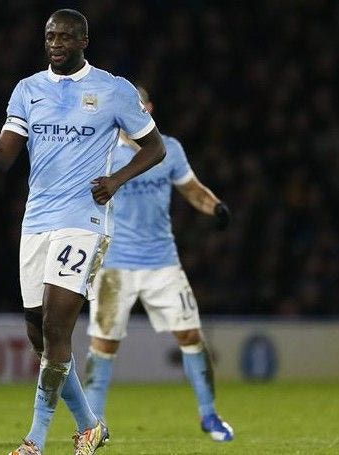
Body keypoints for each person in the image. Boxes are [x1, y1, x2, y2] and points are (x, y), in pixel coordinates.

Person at [0, 8, 165, 455]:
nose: (55, 43)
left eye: (65, 36)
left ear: (83, 41)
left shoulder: (113, 89)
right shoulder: (28, 90)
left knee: (56, 324)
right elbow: (3, 157)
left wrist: (116, 181)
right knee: (39, 334)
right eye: (50, 36)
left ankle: (34, 441)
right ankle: (90, 426)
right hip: (37, 220)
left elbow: (154, 147)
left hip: (83, 220)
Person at [83, 86, 234, 442]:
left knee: (191, 336)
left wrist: (215, 207)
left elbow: (192, 189)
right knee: (103, 344)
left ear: (148, 109)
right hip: (114, 265)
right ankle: (92, 425)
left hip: (162, 263)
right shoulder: (101, 151)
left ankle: (209, 415)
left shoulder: (169, 149)